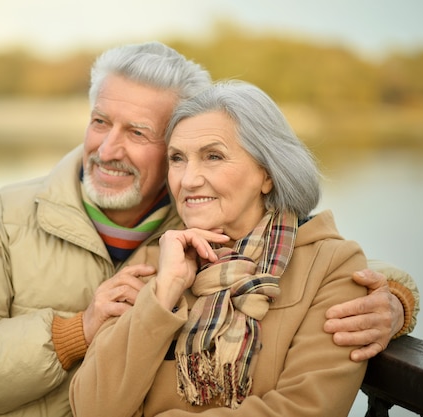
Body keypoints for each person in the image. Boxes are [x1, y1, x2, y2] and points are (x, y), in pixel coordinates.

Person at [0, 42, 418, 417]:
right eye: (99, 122)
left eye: (138, 132)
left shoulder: (197, 223)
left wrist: (395, 298)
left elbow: (306, 258)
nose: (109, 149)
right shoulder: (8, 215)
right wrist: (77, 331)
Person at [69, 79, 384, 416]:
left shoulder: (331, 266)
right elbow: (91, 408)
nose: (188, 180)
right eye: (177, 159)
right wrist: (162, 295)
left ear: (267, 174)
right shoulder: (157, 258)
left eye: (213, 156)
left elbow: (305, 408)